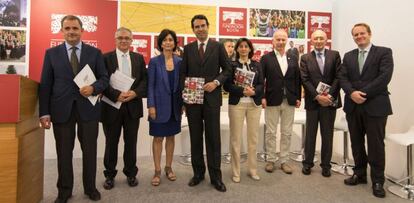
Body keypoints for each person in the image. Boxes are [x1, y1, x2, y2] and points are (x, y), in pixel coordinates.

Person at [38, 15, 108, 202]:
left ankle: (90, 188)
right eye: (67, 28)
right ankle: (64, 191)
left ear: (81, 30)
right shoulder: (51, 54)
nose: (71, 32)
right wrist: (44, 112)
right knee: (63, 153)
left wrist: (94, 88)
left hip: (88, 110)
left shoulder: (95, 53)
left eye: (75, 28)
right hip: (61, 110)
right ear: (62, 31)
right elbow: (45, 85)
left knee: (90, 151)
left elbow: (104, 78)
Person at [338, 23, 393, 198]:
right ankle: (360, 173)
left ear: (369, 34)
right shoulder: (348, 56)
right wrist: (352, 92)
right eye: (356, 34)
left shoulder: (384, 52)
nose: (359, 36)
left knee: (376, 145)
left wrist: (363, 93)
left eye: (362, 33)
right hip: (353, 106)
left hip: (375, 105)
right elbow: (342, 77)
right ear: (353, 37)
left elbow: (385, 77)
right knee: (356, 142)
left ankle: (377, 181)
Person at [180, 14, 232, 192]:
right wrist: (184, 100)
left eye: (203, 26)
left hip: (211, 99)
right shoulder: (187, 49)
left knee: (213, 139)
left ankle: (216, 177)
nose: (200, 29)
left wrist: (216, 82)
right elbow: (183, 75)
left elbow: (227, 69)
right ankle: (198, 174)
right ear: (193, 29)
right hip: (193, 101)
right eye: (197, 27)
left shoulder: (217, 46)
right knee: (195, 138)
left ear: (208, 26)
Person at [100, 27, 147, 190]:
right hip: (111, 107)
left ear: (132, 40)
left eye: (127, 38)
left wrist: (135, 93)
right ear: (115, 39)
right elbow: (102, 81)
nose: (124, 41)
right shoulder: (105, 58)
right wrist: (115, 95)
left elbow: (144, 82)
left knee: (131, 143)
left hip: (132, 107)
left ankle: (131, 173)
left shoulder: (139, 58)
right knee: (111, 143)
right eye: (120, 38)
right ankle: (110, 175)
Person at [299, 30, 342, 177]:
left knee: (327, 134)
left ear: (326, 40)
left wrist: (329, 96)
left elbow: (338, 77)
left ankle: (326, 165)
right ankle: (307, 163)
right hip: (313, 102)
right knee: (310, 134)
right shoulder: (305, 58)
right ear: (311, 41)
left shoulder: (334, 55)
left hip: (330, 101)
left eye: (321, 38)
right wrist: (317, 96)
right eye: (315, 38)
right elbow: (305, 79)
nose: (318, 41)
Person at [223, 38, 264, 183]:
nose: (243, 49)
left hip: (254, 105)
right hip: (237, 104)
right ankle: (236, 172)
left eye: (246, 46)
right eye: (241, 46)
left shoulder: (257, 65)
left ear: (250, 49)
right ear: (237, 49)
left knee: (253, 139)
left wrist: (254, 92)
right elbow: (227, 86)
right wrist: (242, 91)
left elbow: (261, 85)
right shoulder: (231, 65)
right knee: (235, 139)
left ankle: (252, 170)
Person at [261, 29, 301, 174]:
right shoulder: (266, 59)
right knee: (271, 132)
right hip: (272, 99)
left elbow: (297, 79)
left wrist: (297, 97)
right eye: (277, 39)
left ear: (287, 41)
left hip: (289, 100)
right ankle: (271, 160)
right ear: (273, 41)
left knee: (287, 132)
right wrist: (262, 97)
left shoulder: (293, 57)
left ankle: (284, 160)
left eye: (283, 39)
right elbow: (261, 80)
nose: (280, 42)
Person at [147, 29, 182, 186]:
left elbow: (182, 85)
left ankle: (168, 168)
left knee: (171, 137)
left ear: (175, 43)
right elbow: (151, 86)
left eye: (171, 40)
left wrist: (183, 105)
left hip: (175, 107)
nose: (168, 42)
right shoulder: (154, 62)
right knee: (158, 138)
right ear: (160, 43)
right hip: (158, 107)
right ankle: (157, 170)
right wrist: (151, 106)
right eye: (165, 40)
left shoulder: (180, 61)